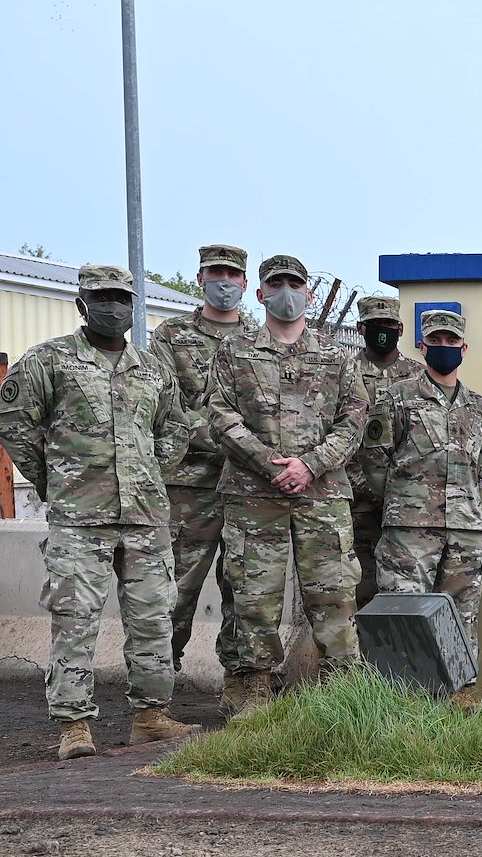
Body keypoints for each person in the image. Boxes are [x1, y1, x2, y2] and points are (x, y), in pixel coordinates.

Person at [0, 264, 198, 758]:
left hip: (146, 517)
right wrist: (54, 479)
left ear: (133, 305)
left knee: (154, 617)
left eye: (121, 298)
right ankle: (74, 726)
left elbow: (176, 427)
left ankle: (151, 716)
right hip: (79, 518)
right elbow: (15, 424)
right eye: (103, 297)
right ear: (82, 305)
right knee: (76, 618)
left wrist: (152, 470)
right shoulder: (48, 360)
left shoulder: (151, 368)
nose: (113, 306)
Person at [207, 254, 368, 716]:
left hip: (322, 495)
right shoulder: (233, 351)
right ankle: (255, 691)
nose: (286, 293)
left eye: (294, 285)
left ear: (309, 294)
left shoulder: (337, 356)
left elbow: (354, 419)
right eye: (276, 284)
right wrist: (267, 463)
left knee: (334, 594)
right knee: (253, 597)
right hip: (253, 496)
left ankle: (342, 696)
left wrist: (311, 465)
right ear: (260, 294)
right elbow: (220, 415)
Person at [359, 309, 482, 708]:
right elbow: (374, 460)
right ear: (421, 346)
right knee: (403, 612)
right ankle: (406, 703)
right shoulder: (396, 398)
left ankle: (460, 696)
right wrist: (405, 500)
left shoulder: (478, 407)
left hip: (465, 528)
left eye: (451, 341)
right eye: (435, 341)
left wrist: (459, 501)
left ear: (464, 349)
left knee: (462, 614)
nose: (443, 347)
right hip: (409, 530)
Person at [147, 242, 259, 679]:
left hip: (247, 487)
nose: (224, 282)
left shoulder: (259, 339)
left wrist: (250, 449)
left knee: (245, 587)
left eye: (232, 275)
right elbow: (165, 405)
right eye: (215, 273)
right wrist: (230, 438)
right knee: (175, 587)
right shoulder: (170, 336)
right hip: (189, 486)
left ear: (245, 284)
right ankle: (157, 680)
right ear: (200, 279)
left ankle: (241, 680)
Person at [348, 294, 421, 610]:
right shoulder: (344, 372)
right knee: (361, 593)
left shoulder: (419, 377)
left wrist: (401, 489)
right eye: (374, 324)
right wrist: (367, 487)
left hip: (408, 509)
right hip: (358, 505)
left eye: (388, 324)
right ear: (360, 328)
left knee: (408, 596)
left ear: (400, 329)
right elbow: (335, 434)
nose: (382, 330)